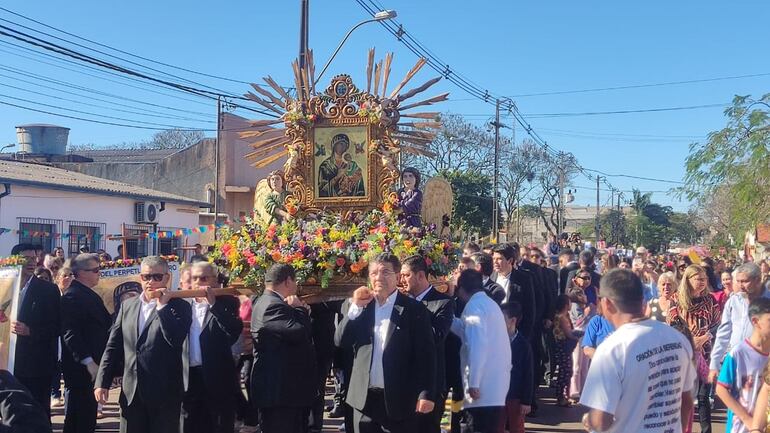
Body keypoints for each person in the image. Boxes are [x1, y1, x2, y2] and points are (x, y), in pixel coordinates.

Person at [580, 269, 696, 433]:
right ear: (642, 301)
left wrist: (588, 420)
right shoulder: (679, 340)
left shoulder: (611, 349)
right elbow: (687, 402)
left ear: (606, 303)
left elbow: (600, 421)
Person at [335, 253, 436, 433]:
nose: (379, 277)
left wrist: (425, 393)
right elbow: (340, 341)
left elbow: (426, 355)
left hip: (399, 399)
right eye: (374, 273)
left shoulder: (414, 310)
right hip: (363, 400)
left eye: (385, 272)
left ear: (397, 277)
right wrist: (355, 307)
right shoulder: (358, 306)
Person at [95, 256, 193, 433]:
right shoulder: (128, 306)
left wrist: (162, 307)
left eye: (157, 277)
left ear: (167, 277)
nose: (151, 282)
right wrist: (102, 381)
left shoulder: (180, 306)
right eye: (146, 277)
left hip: (164, 394)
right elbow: (113, 345)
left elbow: (175, 339)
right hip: (132, 392)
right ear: (140, 278)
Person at [251, 264, 316, 433]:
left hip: (284, 392)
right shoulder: (272, 305)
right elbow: (299, 332)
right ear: (288, 281)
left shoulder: (266, 300)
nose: (296, 286)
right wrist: (300, 309)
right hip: (280, 393)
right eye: (295, 281)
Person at [181, 261, 243, 433]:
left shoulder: (227, 302)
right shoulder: (183, 304)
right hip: (190, 379)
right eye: (195, 278)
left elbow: (233, 330)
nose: (199, 282)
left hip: (217, 379)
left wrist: (213, 304)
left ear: (215, 280)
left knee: (219, 425)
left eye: (204, 278)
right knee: (190, 425)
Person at [450, 269, 511, 433]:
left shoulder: (475, 307)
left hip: (483, 387)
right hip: (493, 385)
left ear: (461, 288)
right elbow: (464, 330)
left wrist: (474, 382)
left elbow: (477, 345)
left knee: (475, 428)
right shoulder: (488, 304)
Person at [400, 255, 454, 433]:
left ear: (421, 275)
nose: (402, 280)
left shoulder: (443, 302)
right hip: (402, 381)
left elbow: (437, 336)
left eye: (406, 275)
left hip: (430, 383)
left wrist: (416, 310)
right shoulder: (399, 302)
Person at [60, 253, 112, 433]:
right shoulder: (72, 296)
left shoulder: (88, 294)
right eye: (95, 270)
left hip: (93, 367)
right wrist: (88, 362)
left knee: (86, 419)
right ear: (81, 273)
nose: (99, 273)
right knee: (78, 419)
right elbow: (70, 333)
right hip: (82, 370)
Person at [9, 243, 60, 419]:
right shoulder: (5, 286)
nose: (32, 262)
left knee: (38, 413)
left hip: (36, 364)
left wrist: (30, 331)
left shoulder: (48, 290)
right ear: (15, 259)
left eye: (34, 258)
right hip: (8, 364)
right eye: (26, 258)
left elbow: (57, 327)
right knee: (12, 413)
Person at [669, 264, 721, 433]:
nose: (702, 282)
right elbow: (674, 326)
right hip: (683, 353)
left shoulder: (710, 300)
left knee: (703, 396)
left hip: (705, 353)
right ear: (688, 280)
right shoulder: (676, 299)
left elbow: (717, 325)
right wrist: (692, 341)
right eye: (698, 279)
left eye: (704, 279)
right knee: (683, 396)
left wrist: (704, 338)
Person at [715, 297, 770, 433]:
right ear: (756, 322)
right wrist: (747, 420)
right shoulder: (738, 353)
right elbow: (721, 389)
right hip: (741, 427)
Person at [710, 263, 770, 384]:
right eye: (738, 281)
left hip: (762, 365)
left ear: (758, 280)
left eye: (744, 281)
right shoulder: (734, 301)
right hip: (735, 363)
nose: (740, 286)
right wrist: (714, 363)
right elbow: (723, 334)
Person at [490, 245, 536, 339]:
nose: (495, 262)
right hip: (493, 332)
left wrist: (523, 337)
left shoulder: (524, 279)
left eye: (499, 259)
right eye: (493, 258)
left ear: (510, 261)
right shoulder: (490, 277)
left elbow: (529, 310)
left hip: (514, 333)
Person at [501, 301, 533, 433]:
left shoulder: (523, 345)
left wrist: (526, 400)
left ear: (512, 320)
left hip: (516, 395)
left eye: (501, 318)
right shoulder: (495, 340)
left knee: (517, 426)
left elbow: (528, 374)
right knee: (497, 425)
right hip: (499, 394)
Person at [552, 294, 580, 407]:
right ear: (565, 304)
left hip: (564, 345)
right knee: (564, 371)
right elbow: (568, 333)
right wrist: (577, 336)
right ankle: (561, 396)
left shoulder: (564, 316)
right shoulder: (561, 317)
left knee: (567, 370)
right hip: (563, 345)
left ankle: (564, 395)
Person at [318, 133, 365, 197]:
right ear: (334, 145)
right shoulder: (325, 166)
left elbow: (360, 189)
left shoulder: (353, 165)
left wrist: (355, 179)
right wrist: (338, 176)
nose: (343, 146)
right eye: (341, 144)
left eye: (346, 145)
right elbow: (322, 190)